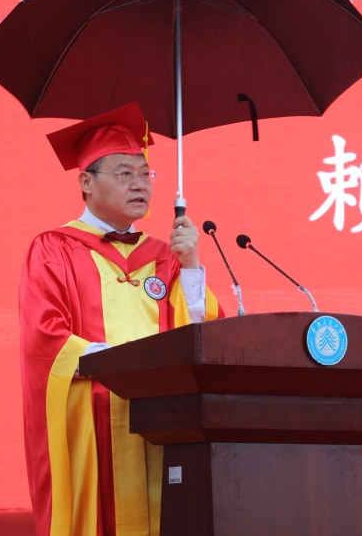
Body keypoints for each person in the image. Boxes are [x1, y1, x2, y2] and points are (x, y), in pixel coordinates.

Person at [18, 102, 222, 536]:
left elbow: (202, 333)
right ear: (86, 182)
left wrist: (191, 265)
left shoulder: (167, 256)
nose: (140, 184)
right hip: (93, 419)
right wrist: (122, 367)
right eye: (125, 173)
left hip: (160, 419)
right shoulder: (54, 249)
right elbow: (45, 337)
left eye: (145, 174)